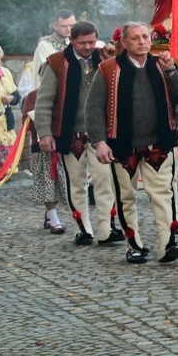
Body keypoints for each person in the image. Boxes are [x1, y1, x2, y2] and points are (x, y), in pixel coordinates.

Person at [87, 22, 178, 265]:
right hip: (123, 145)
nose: (142, 42)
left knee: (163, 193)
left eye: (145, 37)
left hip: (159, 141)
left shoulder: (162, 65)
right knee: (126, 196)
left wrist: (171, 71)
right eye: (135, 38)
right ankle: (134, 245)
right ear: (123, 42)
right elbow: (93, 108)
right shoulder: (108, 69)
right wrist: (99, 141)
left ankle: (167, 244)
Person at [34, 22, 118, 247]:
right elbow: (44, 101)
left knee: (105, 181)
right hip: (71, 133)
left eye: (92, 41)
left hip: (101, 133)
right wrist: (45, 133)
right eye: (82, 43)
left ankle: (107, 229)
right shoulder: (56, 62)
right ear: (71, 41)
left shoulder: (105, 59)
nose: (88, 47)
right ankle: (83, 229)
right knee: (76, 183)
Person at [21, 11, 76, 232]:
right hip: (49, 107)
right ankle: (53, 216)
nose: (69, 30)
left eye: (71, 25)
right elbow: (45, 76)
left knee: (68, 166)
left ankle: (55, 212)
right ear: (55, 25)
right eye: (64, 26)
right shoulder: (45, 46)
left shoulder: (79, 44)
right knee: (48, 164)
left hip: (71, 109)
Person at [0, 45, 20, 176]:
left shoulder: (5, 72)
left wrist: (11, 98)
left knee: (8, 151)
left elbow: (16, 95)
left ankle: (4, 174)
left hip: (5, 119)